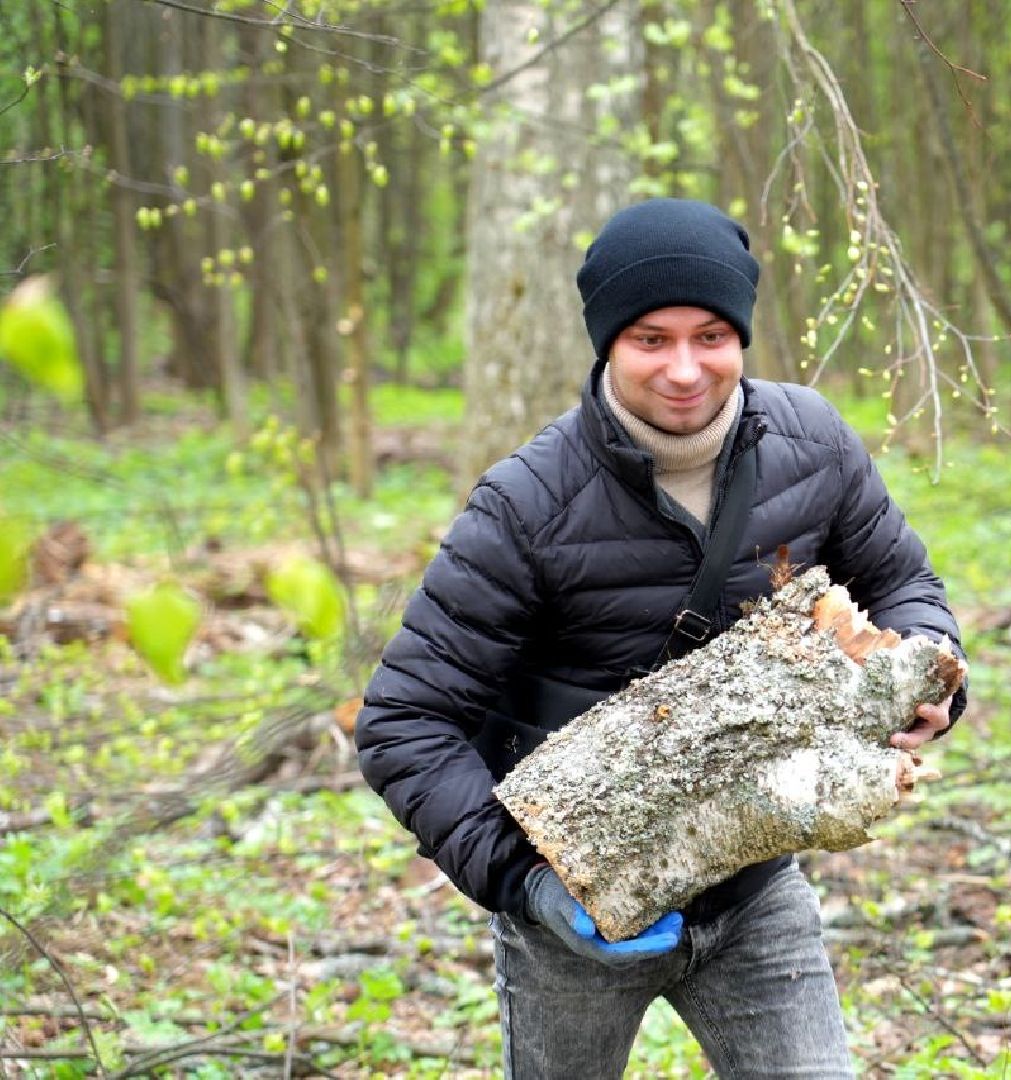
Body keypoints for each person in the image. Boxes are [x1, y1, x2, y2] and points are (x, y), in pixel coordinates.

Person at [354, 197, 967, 1079]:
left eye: (711, 335)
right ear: (608, 342)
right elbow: (403, 723)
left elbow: (904, 579)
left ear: (742, 337)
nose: (685, 368)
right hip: (576, 912)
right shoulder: (526, 504)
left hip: (756, 893)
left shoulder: (813, 444)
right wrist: (529, 888)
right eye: (651, 339)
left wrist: (930, 672)